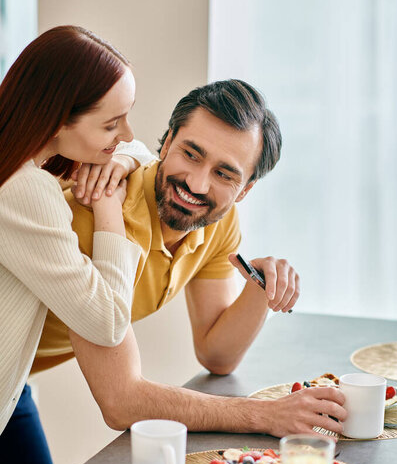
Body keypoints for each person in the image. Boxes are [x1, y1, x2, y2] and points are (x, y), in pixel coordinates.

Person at [35, 79, 346, 438]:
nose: (197, 184)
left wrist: (261, 286)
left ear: (245, 189)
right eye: (191, 154)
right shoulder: (96, 210)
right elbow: (121, 401)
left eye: (223, 173)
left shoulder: (219, 222)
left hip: (13, 385)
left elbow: (217, 355)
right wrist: (266, 415)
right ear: (167, 143)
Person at [0, 25, 154, 464]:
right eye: (113, 125)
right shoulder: (24, 191)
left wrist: (120, 157)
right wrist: (109, 209)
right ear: (58, 119)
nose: (126, 134)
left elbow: (144, 150)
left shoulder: (33, 164)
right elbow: (108, 320)